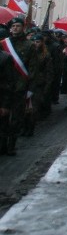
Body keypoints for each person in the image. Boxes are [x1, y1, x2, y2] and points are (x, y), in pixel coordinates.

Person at [2, 17, 34, 155]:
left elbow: (33, 68)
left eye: (18, 26)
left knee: (16, 119)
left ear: (23, 28)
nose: (15, 28)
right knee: (3, 118)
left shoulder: (29, 45)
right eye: (13, 26)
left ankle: (11, 146)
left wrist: (30, 89)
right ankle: (2, 145)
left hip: (20, 86)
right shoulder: (4, 43)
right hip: (4, 87)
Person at [22, 33, 53, 135]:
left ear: (42, 43)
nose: (35, 44)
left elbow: (49, 72)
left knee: (33, 109)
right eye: (34, 41)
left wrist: (47, 87)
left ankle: (30, 128)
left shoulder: (45, 55)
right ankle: (24, 127)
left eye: (38, 42)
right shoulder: (28, 53)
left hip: (38, 84)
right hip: (26, 83)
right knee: (23, 108)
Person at [0, 26, 18, 155]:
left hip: (1, 98)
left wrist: (5, 104)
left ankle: (4, 147)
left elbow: (9, 83)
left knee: (2, 126)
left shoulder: (5, 58)